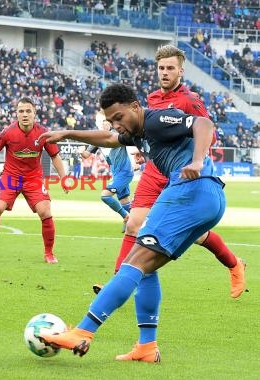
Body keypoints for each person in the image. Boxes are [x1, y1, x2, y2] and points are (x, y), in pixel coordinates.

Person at [38, 83, 227, 363]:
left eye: (119, 117)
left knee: (133, 261)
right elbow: (109, 139)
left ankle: (83, 332)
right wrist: (67, 133)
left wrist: (198, 160)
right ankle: (147, 347)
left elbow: (203, 122)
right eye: (112, 119)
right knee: (146, 268)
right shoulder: (136, 133)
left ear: (136, 108)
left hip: (191, 190)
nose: (117, 124)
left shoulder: (155, 120)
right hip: (202, 197)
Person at [103, 45, 245, 297]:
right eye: (161, 68)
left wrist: (196, 161)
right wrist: (143, 149)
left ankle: (234, 264)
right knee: (133, 223)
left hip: (183, 174)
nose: (165, 72)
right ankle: (117, 280)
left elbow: (206, 131)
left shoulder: (190, 101)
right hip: (154, 171)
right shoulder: (151, 99)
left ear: (181, 71)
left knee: (197, 234)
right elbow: (145, 132)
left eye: (170, 68)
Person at [0, 97, 67, 264]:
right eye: (21, 111)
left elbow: (55, 156)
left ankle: (49, 253)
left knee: (45, 211)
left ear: (34, 113)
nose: (24, 114)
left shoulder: (43, 133)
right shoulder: (8, 132)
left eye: (28, 111)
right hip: (10, 177)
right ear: (16, 114)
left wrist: (64, 177)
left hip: (33, 179)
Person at [80, 120, 133, 227]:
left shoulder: (118, 135)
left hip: (124, 172)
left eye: (107, 123)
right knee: (125, 202)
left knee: (105, 196)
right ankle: (144, 219)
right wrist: (81, 150)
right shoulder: (98, 139)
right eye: (103, 124)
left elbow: (131, 135)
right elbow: (86, 155)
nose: (105, 126)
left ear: (111, 125)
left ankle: (126, 217)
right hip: (116, 174)